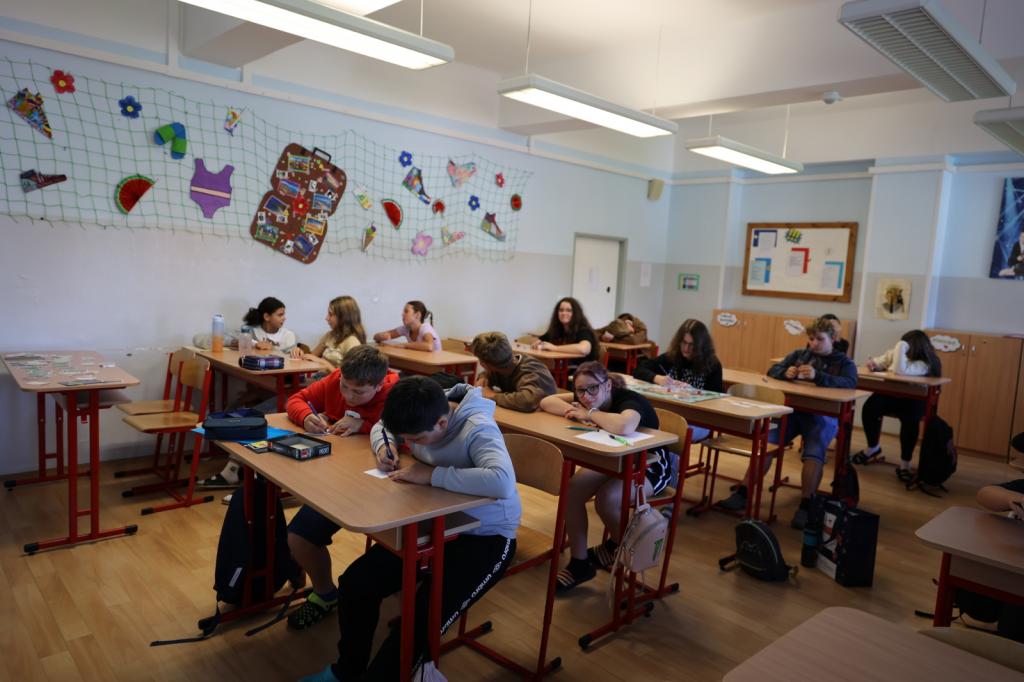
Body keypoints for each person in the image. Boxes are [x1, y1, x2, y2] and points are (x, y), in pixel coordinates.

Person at [300, 377, 519, 681]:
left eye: (415, 438)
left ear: (442, 423)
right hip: (431, 522)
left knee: (419, 624)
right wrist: (385, 446)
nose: (411, 443)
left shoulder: (477, 427)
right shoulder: (418, 409)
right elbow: (382, 426)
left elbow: (502, 482)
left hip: (485, 536)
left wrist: (431, 474)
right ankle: (346, 671)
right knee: (356, 584)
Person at [282, 345, 399, 631]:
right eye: (345, 387)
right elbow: (296, 400)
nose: (348, 396)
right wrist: (306, 417)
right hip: (338, 480)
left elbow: (407, 437)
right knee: (298, 537)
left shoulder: (397, 395)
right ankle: (325, 595)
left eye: (359, 392)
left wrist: (363, 425)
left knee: (393, 555)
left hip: (383, 488)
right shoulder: (336, 379)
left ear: (379, 384)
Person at [538, 361, 673, 592]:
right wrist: (576, 411)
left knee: (608, 499)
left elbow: (624, 426)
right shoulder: (586, 396)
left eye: (593, 388)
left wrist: (589, 413)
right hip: (613, 458)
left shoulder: (629, 400)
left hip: (650, 464)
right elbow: (547, 401)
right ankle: (580, 563)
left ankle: (623, 547)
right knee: (572, 490)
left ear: (608, 385)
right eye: (580, 390)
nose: (586, 396)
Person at [720, 316, 857, 529]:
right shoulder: (800, 354)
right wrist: (785, 372)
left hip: (822, 416)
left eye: (820, 339)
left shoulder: (844, 363)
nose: (813, 344)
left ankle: (806, 504)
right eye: (811, 339)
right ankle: (744, 492)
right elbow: (772, 371)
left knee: (814, 452)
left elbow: (850, 383)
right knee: (766, 443)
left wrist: (818, 376)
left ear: (833, 339)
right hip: (792, 413)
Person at [854, 330, 942, 482]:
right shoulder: (898, 353)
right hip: (893, 396)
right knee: (870, 407)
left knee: (910, 420)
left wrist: (901, 346)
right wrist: (874, 363)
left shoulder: (926, 363)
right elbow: (882, 360)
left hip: (915, 400)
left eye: (906, 346)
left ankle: (905, 464)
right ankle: (873, 447)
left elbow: (901, 371)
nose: (903, 349)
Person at [634, 318, 722, 447]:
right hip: (673, 414)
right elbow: (639, 369)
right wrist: (657, 378)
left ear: (701, 345)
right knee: (648, 422)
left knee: (671, 430)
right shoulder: (673, 357)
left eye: (692, 345)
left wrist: (694, 392)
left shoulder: (712, 365)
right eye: (684, 343)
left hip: (699, 421)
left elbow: (717, 400)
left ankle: (669, 460)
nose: (686, 348)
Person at [471, 331, 558, 412]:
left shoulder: (529, 370)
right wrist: (483, 377)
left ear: (484, 364)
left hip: (548, 415)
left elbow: (528, 400)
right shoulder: (501, 365)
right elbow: (488, 373)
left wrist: (493, 396)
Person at [302, 295, 366, 374]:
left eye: (330, 314)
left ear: (343, 317)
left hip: (334, 381)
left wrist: (325, 363)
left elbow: (350, 378)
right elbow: (312, 356)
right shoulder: (330, 335)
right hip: (322, 378)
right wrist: (300, 352)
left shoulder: (352, 342)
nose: (326, 318)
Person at [532, 296, 599, 363]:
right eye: (561, 310)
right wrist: (538, 343)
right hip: (563, 367)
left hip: (582, 368)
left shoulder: (583, 330)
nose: (564, 313)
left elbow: (584, 349)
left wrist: (554, 348)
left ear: (576, 313)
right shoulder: (557, 329)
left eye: (568, 310)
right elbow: (541, 340)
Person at [373, 300, 441, 351]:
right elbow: (379, 336)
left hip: (435, 363)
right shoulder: (406, 328)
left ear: (417, 315)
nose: (402, 314)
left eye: (406, 311)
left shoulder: (425, 328)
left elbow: (429, 346)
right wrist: (379, 336)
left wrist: (403, 345)